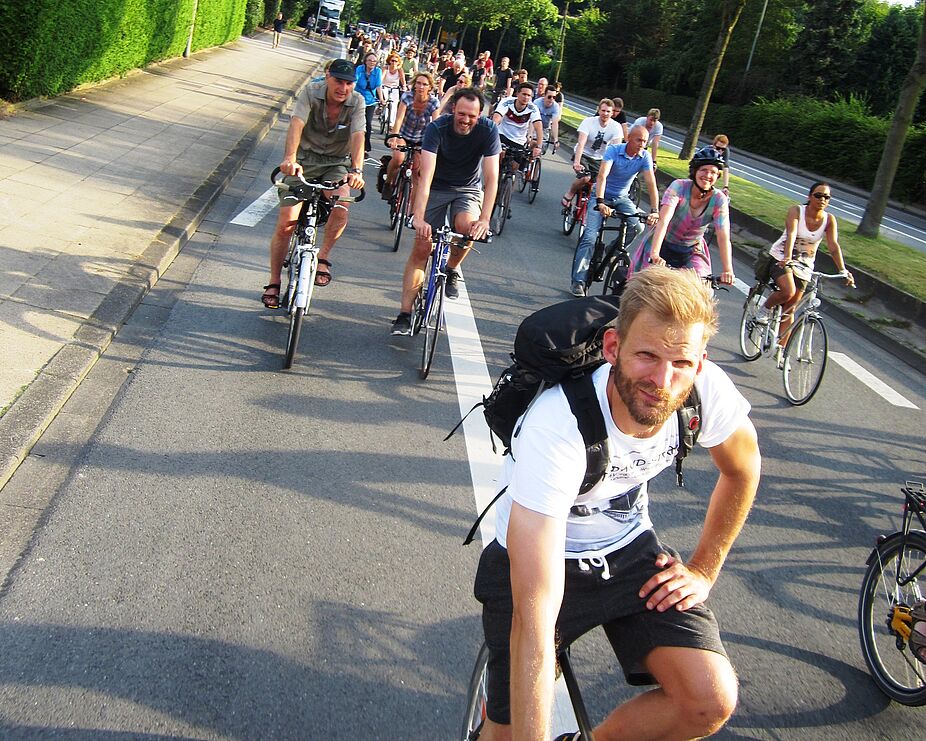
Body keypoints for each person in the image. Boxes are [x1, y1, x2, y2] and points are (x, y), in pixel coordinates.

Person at [473, 265, 761, 741]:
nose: (663, 381)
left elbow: (743, 469)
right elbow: (535, 614)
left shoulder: (703, 390)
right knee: (511, 734)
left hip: (626, 551)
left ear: (700, 362)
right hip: (543, 559)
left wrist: (704, 569)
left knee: (708, 700)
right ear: (613, 348)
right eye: (646, 355)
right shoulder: (558, 425)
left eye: (682, 363)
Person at [390, 88, 500, 335]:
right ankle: (404, 314)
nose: (466, 120)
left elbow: (492, 179)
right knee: (421, 247)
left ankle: (451, 268)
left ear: (480, 114)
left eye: (472, 116)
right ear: (453, 110)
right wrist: (417, 217)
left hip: (467, 189)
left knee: (467, 229)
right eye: (461, 114)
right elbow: (425, 176)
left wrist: (484, 219)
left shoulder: (488, 130)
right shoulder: (437, 128)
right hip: (436, 187)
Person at [261, 59, 365, 309]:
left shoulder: (357, 102)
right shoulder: (310, 92)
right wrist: (289, 159)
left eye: (349, 83)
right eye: (339, 81)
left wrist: (356, 170)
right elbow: (296, 123)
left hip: (336, 163)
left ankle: (323, 257)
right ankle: (274, 281)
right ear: (328, 77)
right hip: (304, 161)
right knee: (287, 221)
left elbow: (358, 135)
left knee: (341, 208)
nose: (343, 88)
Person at [756, 181, 854, 347]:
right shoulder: (796, 211)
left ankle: (781, 349)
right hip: (781, 256)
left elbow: (833, 246)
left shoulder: (829, 220)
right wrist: (787, 256)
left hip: (805, 265)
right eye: (818, 195)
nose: (822, 199)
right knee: (788, 291)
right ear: (809, 197)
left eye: (826, 197)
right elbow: (792, 233)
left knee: (791, 308)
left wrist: (843, 270)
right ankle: (764, 309)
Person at [570, 124, 660, 296]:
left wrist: (655, 210)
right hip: (601, 196)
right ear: (629, 139)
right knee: (590, 237)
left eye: (645, 141)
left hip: (622, 198)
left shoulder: (644, 156)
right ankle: (578, 281)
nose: (642, 144)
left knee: (638, 227)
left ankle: (613, 248)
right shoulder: (613, 150)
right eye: (639, 140)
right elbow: (602, 176)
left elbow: (651, 183)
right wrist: (601, 202)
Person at [629, 147, 735, 285]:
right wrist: (655, 253)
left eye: (713, 172)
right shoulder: (679, 187)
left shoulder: (719, 199)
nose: (708, 175)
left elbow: (723, 236)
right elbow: (663, 221)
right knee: (642, 286)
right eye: (704, 170)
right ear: (695, 171)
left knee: (701, 289)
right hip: (663, 243)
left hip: (691, 250)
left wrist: (728, 270)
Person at [383, 72, 441, 201]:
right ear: (414, 85)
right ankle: (388, 182)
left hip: (422, 139)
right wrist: (393, 137)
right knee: (398, 158)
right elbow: (399, 119)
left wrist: (436, 144)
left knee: (417, 172)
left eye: (424, 84)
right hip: (403, 134)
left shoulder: (433, 102)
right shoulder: (407, 97)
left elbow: (436, 125)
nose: (421, 87)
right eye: (418, 83)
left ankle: (411, 213)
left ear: (430, 87)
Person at [561, 99, 623, 210]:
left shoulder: (616, 127)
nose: (605, 114)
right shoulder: (589, 122)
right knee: (585, 177)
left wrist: (615, 169)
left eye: (608, 111)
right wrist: (576, 162)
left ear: (612, 113)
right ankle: (570, 193)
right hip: (584, 154)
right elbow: (581, 143)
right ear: (598, 110)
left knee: (597, 184)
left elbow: (616, 149)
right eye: (603, 110)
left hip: (600, 158)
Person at [492, 82, 543, 169]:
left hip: (518, 140)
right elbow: (496, 118)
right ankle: (495, 177)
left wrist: (539, 146)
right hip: (502, 135)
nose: (526, 97)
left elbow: (538, 127)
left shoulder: (533, 108)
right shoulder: (507, 102)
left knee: (515, 167)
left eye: (528, 95)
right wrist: (492, 133)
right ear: (517, 93)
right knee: (499, 157)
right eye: (524, 94)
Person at [355, 51, 384, 155]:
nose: (372, 62)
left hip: (370, 101)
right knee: (353, 121)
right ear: (365, 61)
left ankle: (365, 146)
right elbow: (354, 82)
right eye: (370, 60)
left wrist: (381, 99)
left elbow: (378, 86)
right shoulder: (360, 69)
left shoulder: (378, 72)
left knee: (368, 123)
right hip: (358, 98)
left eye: (374, 61)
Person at [381, 52, 407, 129]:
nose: (394, 63)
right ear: (389, 61)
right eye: (392, 60)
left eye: (396, 61)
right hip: (385, 86)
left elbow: (403, 80)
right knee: (385, 101)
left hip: (395, 88)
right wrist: (380, 85)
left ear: (398, 62)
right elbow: (381, 78)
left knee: (394, 104)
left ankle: (391, 123)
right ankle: (383, 115)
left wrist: (404, 87)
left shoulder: (400, 70)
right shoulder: (386, 68)